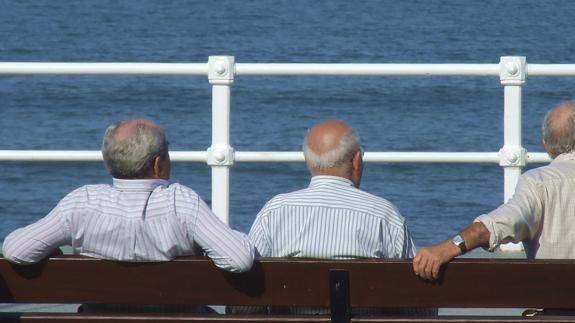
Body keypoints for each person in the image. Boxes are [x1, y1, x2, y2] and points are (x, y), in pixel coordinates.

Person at [3, 118, 254, 274]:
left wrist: (57, 253)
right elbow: (239, 259)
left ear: (108, 161)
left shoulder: (82, 203)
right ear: (158, 164)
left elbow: (16, 250)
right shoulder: (182, 203)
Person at [246, 120, 425, 315]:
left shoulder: (275, 210)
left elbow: (249, 277)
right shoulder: (383, 214)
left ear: (309, 162)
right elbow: (414, 293)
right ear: (356, 160)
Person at [413, 101, 575, 281]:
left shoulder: (539, 183)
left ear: (545, 145)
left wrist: (449, 247)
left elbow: (503, 223)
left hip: (555, 305)